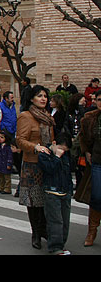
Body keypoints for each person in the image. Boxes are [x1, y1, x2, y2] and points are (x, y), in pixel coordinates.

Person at [16, 84, 55, 250]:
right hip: (32, 164)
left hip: (47, 164)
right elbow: (20, 140)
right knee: (33, 202)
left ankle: (44, 229)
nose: (43, 99)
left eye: (45, 96)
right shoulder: (26, 116)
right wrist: (35, 147)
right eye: (40, 96)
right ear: (32, 98)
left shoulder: (48, 116)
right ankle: (36, 233)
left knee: (46, 200)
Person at [38, 131, 74, 255]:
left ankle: (62, 244)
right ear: (54, 143)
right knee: (55, 221)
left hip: (65, 191)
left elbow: (68, 172)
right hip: (51, 191)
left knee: (65, 220)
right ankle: (55, 247)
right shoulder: (44, 154)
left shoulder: (66, 155)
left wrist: (69, 190)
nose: (62, 152)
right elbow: (49, 169)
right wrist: (57, 157)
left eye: (64, 150)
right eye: (60, 149)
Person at [78, 89, 101, 247]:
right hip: (98, 162)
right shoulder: (90, 118)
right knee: (96, 196)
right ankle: (92, 232)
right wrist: (86, 151)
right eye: (99, 99)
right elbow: (84, 137)